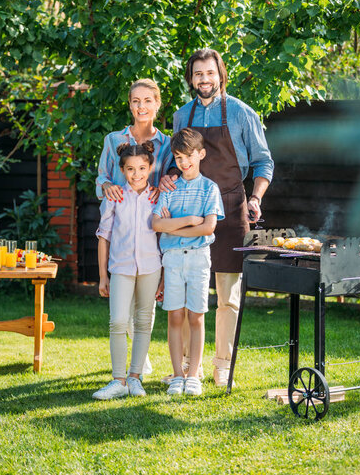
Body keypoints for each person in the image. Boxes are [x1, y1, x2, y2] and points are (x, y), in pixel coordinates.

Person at [159, 48, 274, 387]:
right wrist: (167, 175)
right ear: (190, 78)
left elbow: (263, 162)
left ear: (220, 75)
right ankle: (181, 367)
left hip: (231, 208)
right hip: (187, 212)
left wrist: (255, 197)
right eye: (197, 74)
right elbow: (172, 160)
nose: (204, 80)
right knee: (180, 294)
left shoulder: (241, 113)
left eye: (209, 73)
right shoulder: (181, 116)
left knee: (228, 296)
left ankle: (223, 365)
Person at [96, 78, 173, 376]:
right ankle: (128, 360)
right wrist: (106, 186)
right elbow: (101, 177)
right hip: (119, 220)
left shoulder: (166, 144)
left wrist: (162, 188)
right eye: (135, 101)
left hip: (151, 220)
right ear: (129, 105)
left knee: (144, 305)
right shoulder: (113, 140)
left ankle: (138, 361)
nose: (141, 106)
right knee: (122, 301)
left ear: (157, 103)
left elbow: (169, 175)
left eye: (147, 100)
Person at [152, 128, 224, 396]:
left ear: (201, 154)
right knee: (175, 316)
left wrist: (173, 229)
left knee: (195, 316)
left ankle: (193, 374)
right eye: (178, 157)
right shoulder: (169, 188)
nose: (184, 162)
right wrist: (189, 220)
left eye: (189, 156)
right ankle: (177, 375)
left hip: (198, 260)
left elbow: (208, 229)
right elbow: (156, 222)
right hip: (171, 260)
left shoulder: (209, 188)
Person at [92, 141, 163, 400]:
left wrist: (163, 277)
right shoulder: (114, 197)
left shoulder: (157, 197)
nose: (137, 174)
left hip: (151, 267)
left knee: (143, 322)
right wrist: (102, 276)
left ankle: (135, 378)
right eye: (131, 169)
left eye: (142, 168)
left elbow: (163, 238)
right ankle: (118, 380)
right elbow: (104, 237)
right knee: (118, 321)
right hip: (120, 267)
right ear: (122, 170)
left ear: (151, 167)